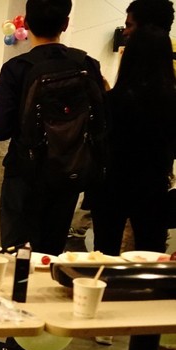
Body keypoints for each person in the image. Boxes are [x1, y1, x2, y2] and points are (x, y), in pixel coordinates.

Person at [0, 0, 106, 350]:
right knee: (50, 254)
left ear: (26, 23)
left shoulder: (17, 68)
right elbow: (101, 121)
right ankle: (44, 333)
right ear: (66, 23)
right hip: (68, 174)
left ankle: (20, 343)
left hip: (25, 176)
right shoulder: (87, 64)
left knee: (20, 255)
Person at [92, 26, 176, 256]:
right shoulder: (171, 102)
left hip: (110, 184)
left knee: (104, 255)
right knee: (152, 254)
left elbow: (98, 141)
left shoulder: (111, 100)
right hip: (153, 186)